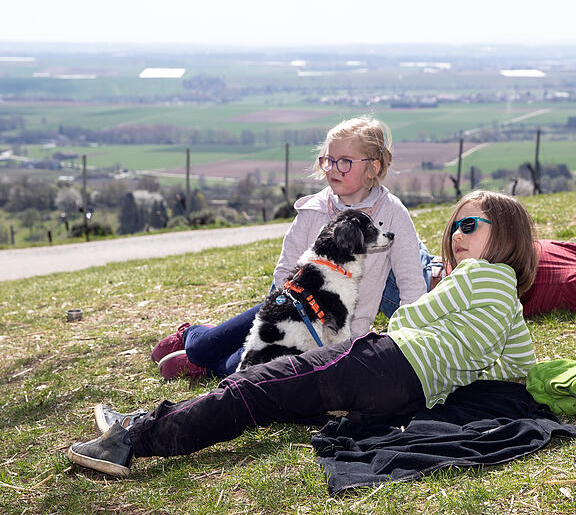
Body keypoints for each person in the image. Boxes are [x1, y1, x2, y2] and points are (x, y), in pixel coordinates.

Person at [67, 191, 539, 477]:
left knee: (256, 388)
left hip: (380, 360)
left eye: (471, 225)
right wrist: (462, 354)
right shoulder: (510, 301)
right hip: (404, 395)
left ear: (507, 237)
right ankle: (146, 420)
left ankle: (134, 438)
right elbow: (518, 364)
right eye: (456, 223)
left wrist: (435, 301)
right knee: (281, 397)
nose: (458, 233)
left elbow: (409, 320)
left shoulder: (474, 277)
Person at [152, 116, 428, 379]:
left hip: (332, 334)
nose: (333, 169)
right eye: (329, 160)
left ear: (374, 167)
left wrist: (403, 342)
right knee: (204, 348)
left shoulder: (393, 215)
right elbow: (285, 270)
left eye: (345, 162)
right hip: (287, 311)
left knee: (243, 368)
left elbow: (411, 284)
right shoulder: (314, 209)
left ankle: (208, 365)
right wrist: (275, 320)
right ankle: (193, 336)